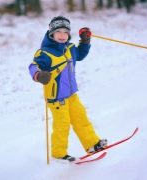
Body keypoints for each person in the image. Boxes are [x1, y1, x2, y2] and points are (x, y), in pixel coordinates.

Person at [29, 16, 107, 162]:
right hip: (57, 98)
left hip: (71, 95)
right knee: (62, 125)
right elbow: (33, 67)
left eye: (65, 32)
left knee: (81, 118)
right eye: (58, 32)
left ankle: (92, 144)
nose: (62, 35)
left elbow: (81, 55)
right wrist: (39, 75)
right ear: (51, 34)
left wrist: (85, 41)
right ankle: (58, 154)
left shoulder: (70, 48)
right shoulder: (45, 53)